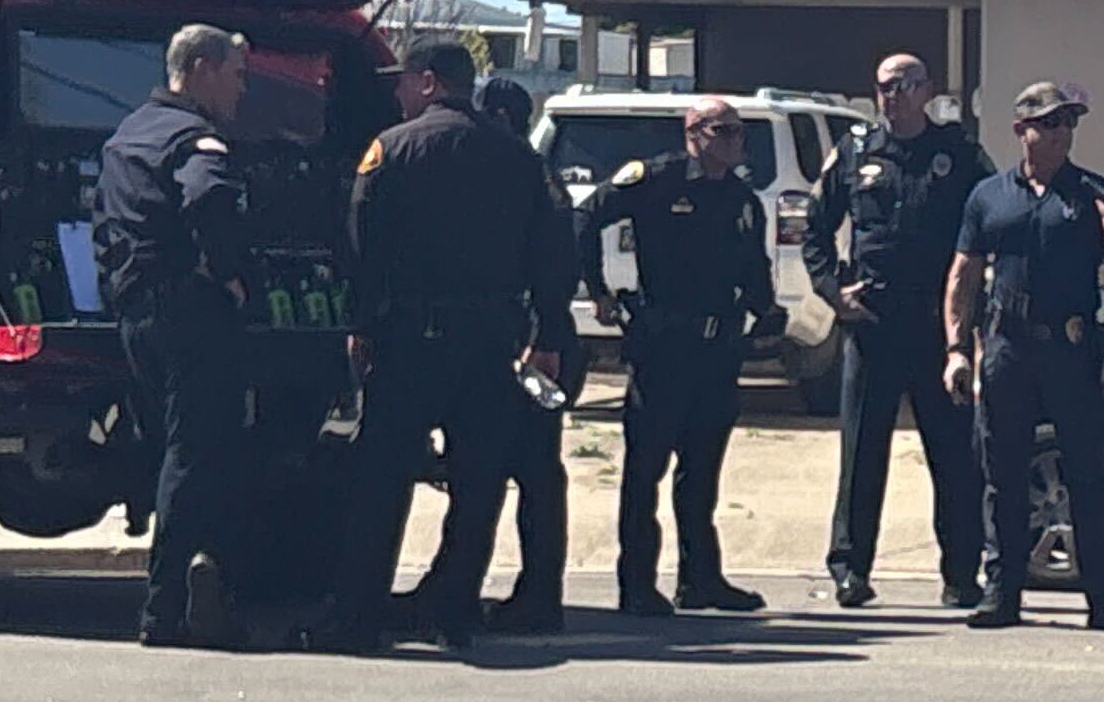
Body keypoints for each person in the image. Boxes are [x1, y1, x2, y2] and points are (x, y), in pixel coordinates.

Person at [325, 41, 568, 653]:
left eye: (404, 81)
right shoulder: (518, 157)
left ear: (429, 82)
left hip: (409, 338)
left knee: (381, 479)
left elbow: (361, 243)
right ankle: (453, 610)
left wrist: (361, 322)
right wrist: (546, 334)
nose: (398, 93)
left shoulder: (393, 148)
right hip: (490, 341)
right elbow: (550, 253)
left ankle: (357, 617)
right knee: (478, 480)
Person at [944, 80, 1104, 633]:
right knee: (1001, 473)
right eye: (1050, 123)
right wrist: (957, 349)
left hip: (1074, 348)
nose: (1061, 133)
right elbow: (963, 274)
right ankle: (1002, 594)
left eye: (1068, 123)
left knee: (1088, 474)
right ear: (1020, 130)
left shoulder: (1091, 195)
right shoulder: (989, 197)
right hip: (1007, 346)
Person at [93, 23, 264, 649]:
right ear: (198, 69)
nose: (242, 88)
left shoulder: (124, 136)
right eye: (235, 74)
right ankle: (167, 607)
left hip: (137, 314)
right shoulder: (195, 141)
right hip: (192, 313)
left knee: (173, 448)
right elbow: (209, 199)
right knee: (200, 453)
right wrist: (231, 273)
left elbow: (103, 227)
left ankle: (201, 581)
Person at [583, 94, 782, 616]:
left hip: (717, 351)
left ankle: (701, 580)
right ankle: (637, 584)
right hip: (662, 346)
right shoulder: (654, 180)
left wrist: (769, 315)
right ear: (693, 134)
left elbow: (753, 270)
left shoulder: (741, 199)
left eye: (739, 133)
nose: (736, 142)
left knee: (702, 472)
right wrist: (598, 291)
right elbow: (583, 221)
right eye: (724, 132)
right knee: (645, 469)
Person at [806, 51, 986, 608]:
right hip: (873, 324)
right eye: (885, 85)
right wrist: (834, 290)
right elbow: (813, 229)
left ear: (927, 89)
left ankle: (961, 576)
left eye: (906, 84)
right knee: (862, 452)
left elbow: (992, 222)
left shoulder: (957, 154)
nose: (894, 94)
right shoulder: (856, 152)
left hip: (937, 328)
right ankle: (849, 569)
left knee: (954, 454)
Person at [409, 74, 575, 632]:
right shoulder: (520, 172)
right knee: (492, 472)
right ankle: (455, 582)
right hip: (527, 336)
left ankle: (535, 595)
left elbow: (554, 261)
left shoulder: (526, 175)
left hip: (531, 343)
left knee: (523, 473)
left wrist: (544, 337)